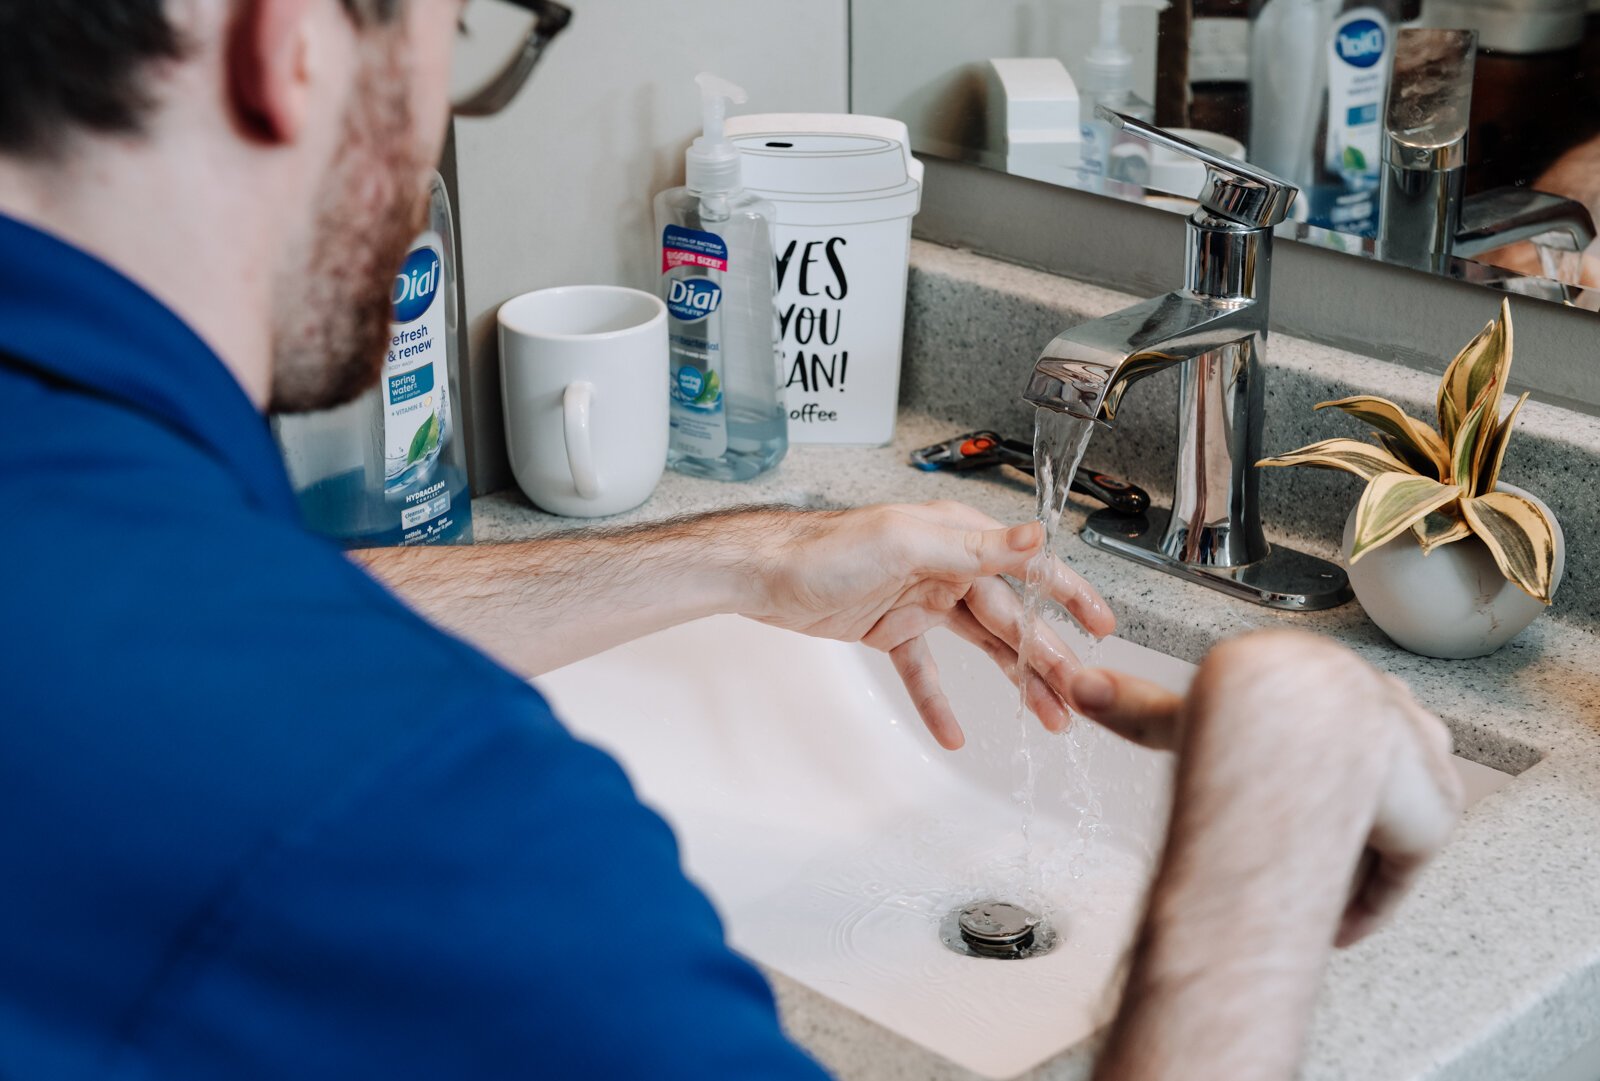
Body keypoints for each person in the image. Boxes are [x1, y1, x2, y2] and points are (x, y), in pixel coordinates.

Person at [0, 3, 1463, 1080]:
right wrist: (1276, 781)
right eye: (451, 32)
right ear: (292, 39)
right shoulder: (424, 811)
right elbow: (290, 722)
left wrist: (738, 558)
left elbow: (217, 627)